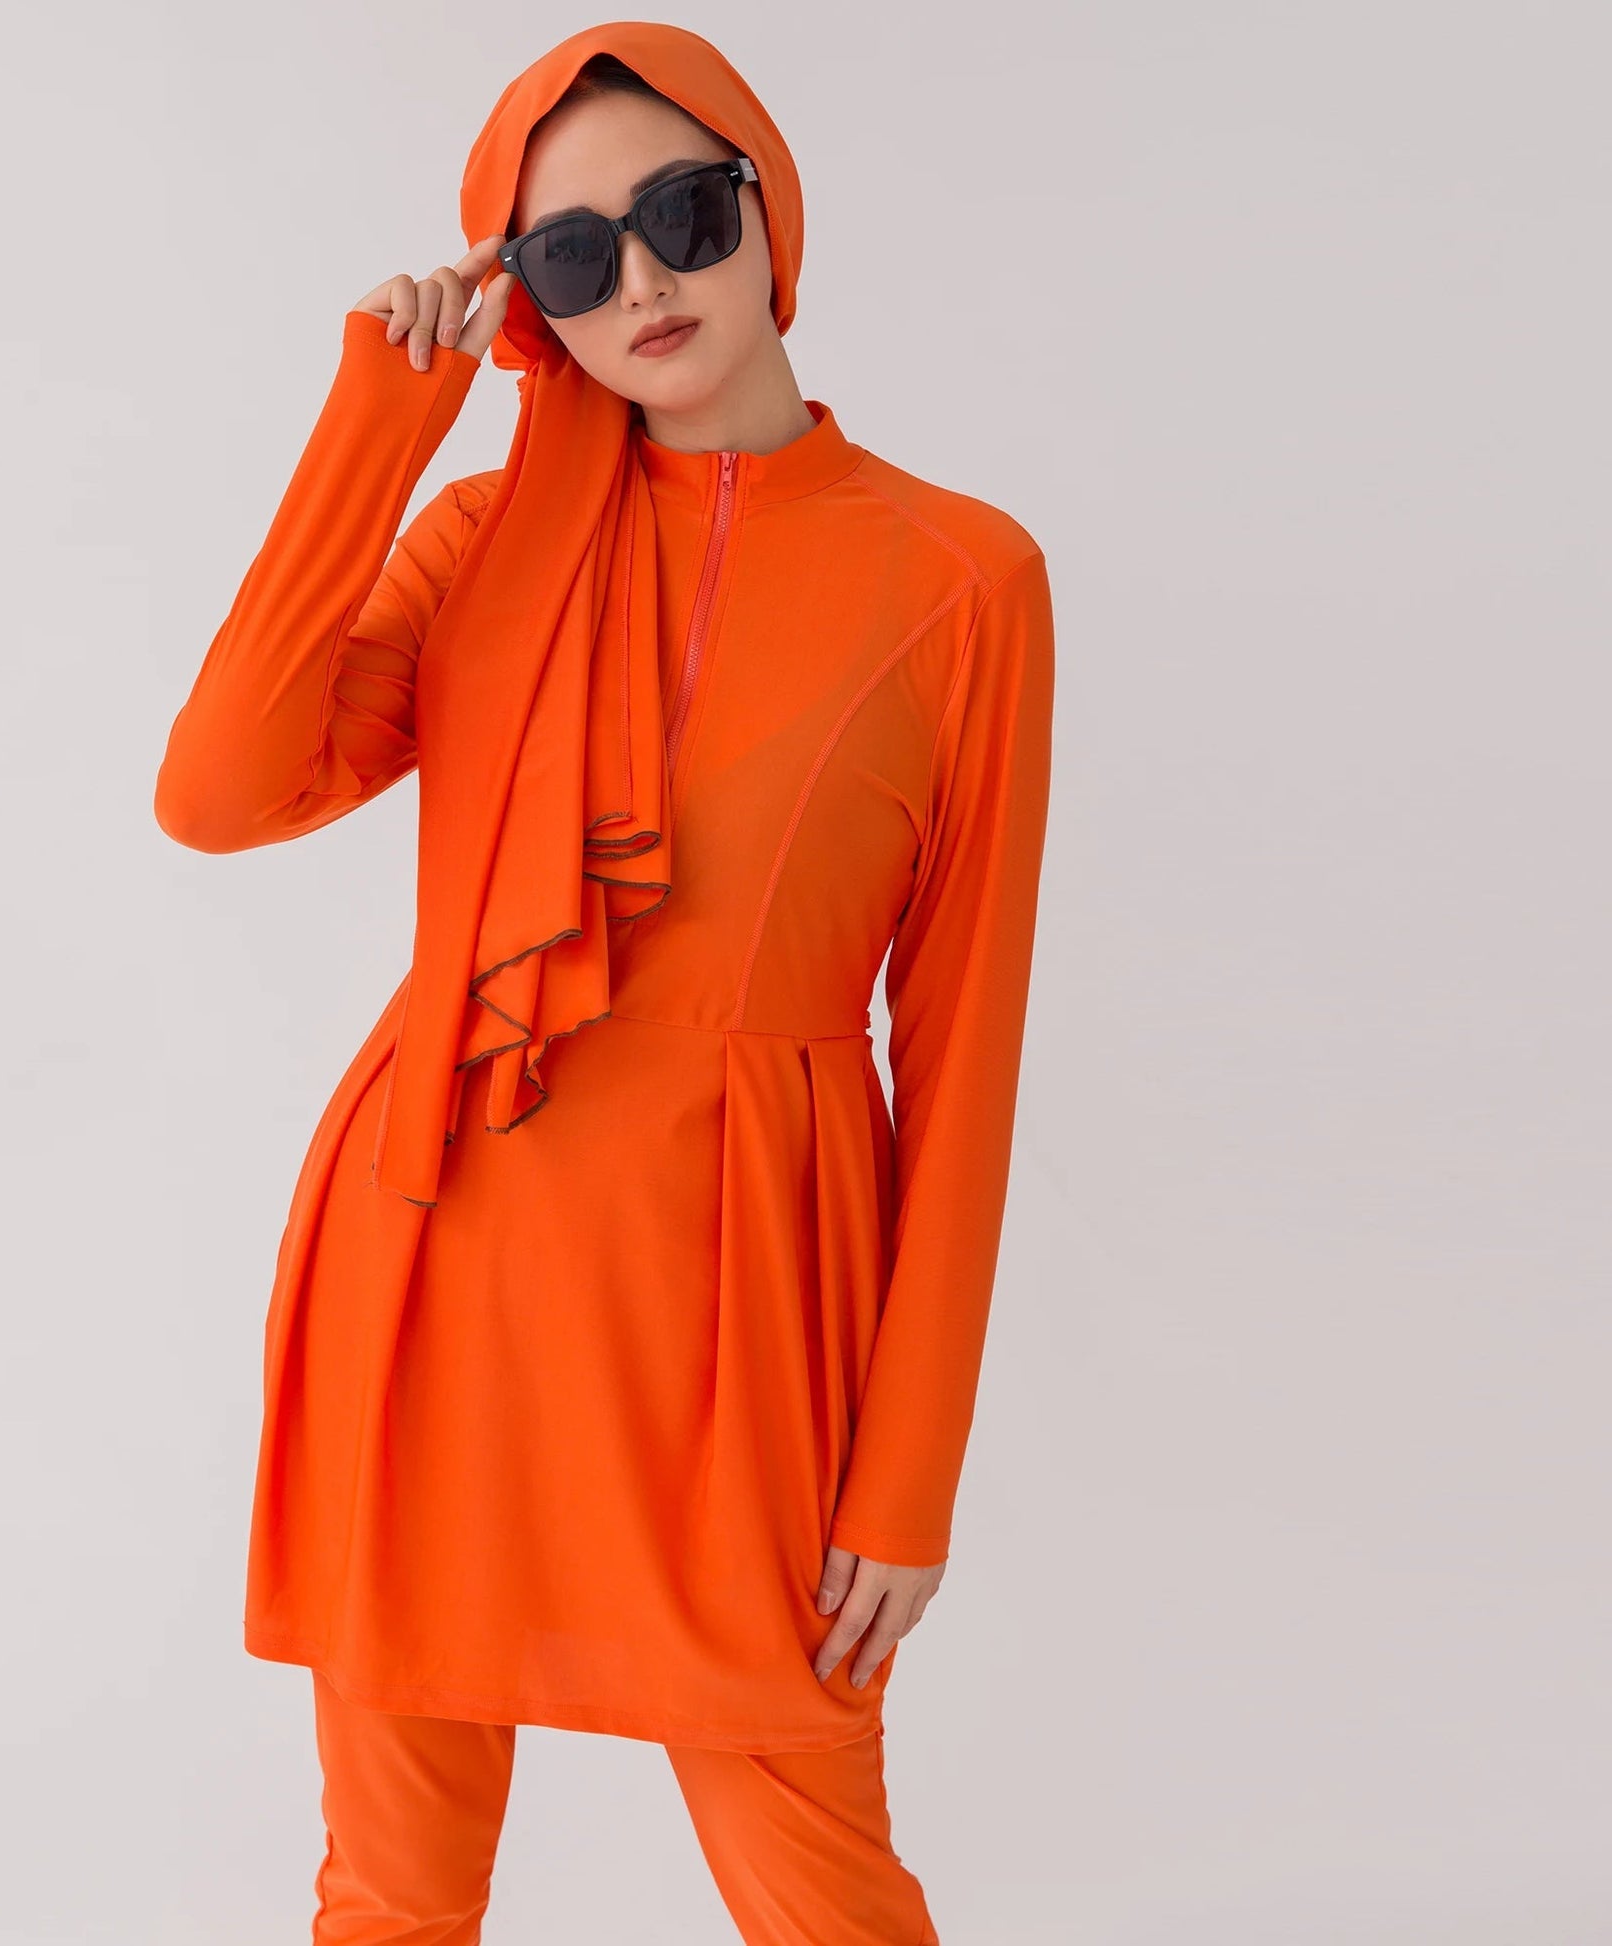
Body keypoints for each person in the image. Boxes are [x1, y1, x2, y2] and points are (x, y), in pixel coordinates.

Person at [153, 21, 1053, 1944]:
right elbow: (217, 795)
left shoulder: (964, 578)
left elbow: (963, 1050)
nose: (641, 277)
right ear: (525, 305)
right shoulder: (480, 538)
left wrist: (905, 1477)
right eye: (570, 253)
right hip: (433, 1260)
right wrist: (377, 428)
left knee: (822, 1890)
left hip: (744, 1312)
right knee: (390, 1897)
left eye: (683, 211)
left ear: (768, 209)